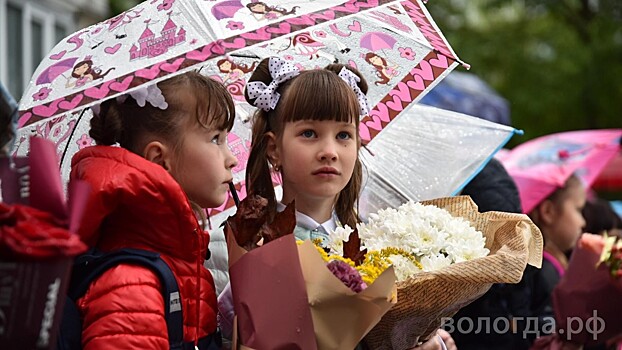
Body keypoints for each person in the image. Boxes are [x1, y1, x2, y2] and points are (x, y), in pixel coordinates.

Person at [240, 56, 453, 350]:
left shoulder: (379, 243)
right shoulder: (245, 246)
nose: (329, 151)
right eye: (309, 134)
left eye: (343, 135)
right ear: (274, 148)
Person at [70, 71, 237, 349]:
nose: (230, 158)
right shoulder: (132, 281)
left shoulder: (183, 261)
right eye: (215, 139)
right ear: (159, 159)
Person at [525, 174, 586, 347]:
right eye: (578, 209)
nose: (583, 221)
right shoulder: (543, 268)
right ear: (548, 212)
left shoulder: (546, 262)